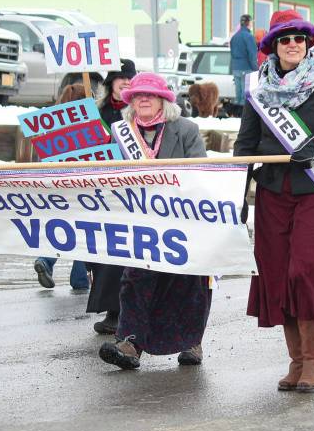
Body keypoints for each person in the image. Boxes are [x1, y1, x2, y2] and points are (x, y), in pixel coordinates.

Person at [233, 10, 314, 392]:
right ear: (273, 46)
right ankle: (296, 361)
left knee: (303, 269)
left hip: (313, 189)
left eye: (299, 39)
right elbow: (246, 143)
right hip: (273, 191)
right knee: (276, 272)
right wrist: (234, 190)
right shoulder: (258, 86)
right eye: (285, 39)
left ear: (307, 45)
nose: (293, 44)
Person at [98, 72, 211, 369]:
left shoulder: (185, 129)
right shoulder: (120, 131)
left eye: (149, 94)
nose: (143, 99)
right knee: (135, 279)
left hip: (181, 219)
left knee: (189, 282)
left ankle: (191, 341)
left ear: (163, 100)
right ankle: (130, 342)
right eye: (137, 95)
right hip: (139, 220)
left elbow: (203, 173)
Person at [83, 59, 137, 333]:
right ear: (111, 82)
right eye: (121, 78)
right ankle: (111, 312)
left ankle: (126, 311)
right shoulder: (96, 112)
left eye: (130, 78)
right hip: (101, 193)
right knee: (105, 255)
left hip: (132, 193)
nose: (126, 82)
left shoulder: (138, 113)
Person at [32, 81, 92, 292]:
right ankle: (80, 278)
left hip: (56, 186)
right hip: (83, 186)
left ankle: (46, 260)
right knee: (85, 229)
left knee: (62, 228)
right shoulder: (88, 127)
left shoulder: (50, 126)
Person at [230, 14, 259, 116]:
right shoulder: (249, 37)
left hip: (236, 68)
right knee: (245, 94)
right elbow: (252, 55)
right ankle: (243, 116)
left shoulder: (234, 37)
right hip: (246, 68)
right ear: (249, 23)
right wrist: (256, 69)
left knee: (238, 94)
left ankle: (236, 114)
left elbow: (232, 54)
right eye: (251, 22)